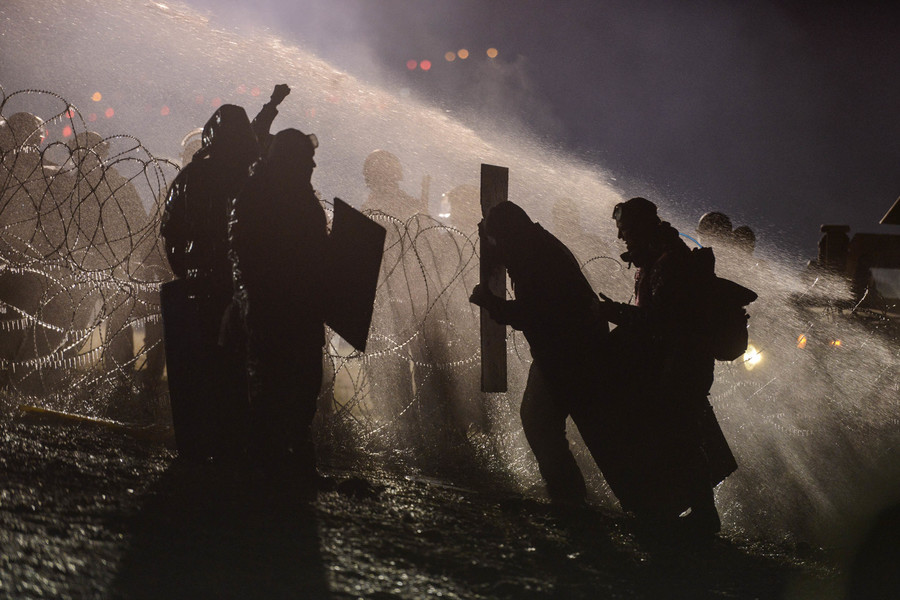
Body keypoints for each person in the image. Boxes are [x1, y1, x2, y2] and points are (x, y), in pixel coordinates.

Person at [159, 84, 290, 460]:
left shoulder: (194, 175)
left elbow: (170, 231)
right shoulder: (253, 175)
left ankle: (206, 439)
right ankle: (236, 439)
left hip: (204, 280)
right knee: (237, 364)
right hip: (239, 283)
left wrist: (184, 272)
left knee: (204, 364)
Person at [595, 197, 737, 535]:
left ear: (643, 228)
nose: (621, 239)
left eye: (626, 231)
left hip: (681, 365)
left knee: (680, 438)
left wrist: (614, 312)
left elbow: (661, 321)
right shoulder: (658, 258)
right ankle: (678, 508)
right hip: (674, 363)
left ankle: (703, 516)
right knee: (673, 437)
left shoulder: (670, 262)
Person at [469, 201, 608, 504]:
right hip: (571, 348)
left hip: (568, 352)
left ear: (509, 234)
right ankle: (572, 495)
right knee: (555, 422)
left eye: (499, 238)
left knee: (540, 421)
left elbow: (534, 313)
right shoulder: (535, 244)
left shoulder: (535, 257)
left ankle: (569, 497)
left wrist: (490, 302)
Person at [229, 128, 327, 477]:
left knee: (304, 382)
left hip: (300, 307)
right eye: (306, 157)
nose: (313, 164)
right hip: (274, 306)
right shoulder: (261, 193)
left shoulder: (294, 193)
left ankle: (293, 451)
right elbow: (248, 250)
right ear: (290, 159)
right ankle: (266, 458)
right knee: (273, 383)